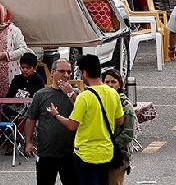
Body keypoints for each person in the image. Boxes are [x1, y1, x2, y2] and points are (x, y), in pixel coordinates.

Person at [47, 54, 125, 185]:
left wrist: (56, 115)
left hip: (86, 154)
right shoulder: (113, 93)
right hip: (106, 152)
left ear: (84, 73)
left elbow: (72, 125)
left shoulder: (84, 97)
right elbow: (120, 121)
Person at [24, 59, 78, 185]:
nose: (66, 75)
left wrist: (70, 93)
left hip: (70, 152)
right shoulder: (41, 94)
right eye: (62, 71)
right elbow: (31, 119)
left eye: (69, 72)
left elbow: (83, 113)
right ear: (52, 72)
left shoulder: (75, 94)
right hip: (46, 152)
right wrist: (28, 142)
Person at [101, 70, 135, 185]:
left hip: (119, 154)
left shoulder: (125, 104)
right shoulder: (100, 100)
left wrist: (111, 145)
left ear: (120, 84)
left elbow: (128, 133)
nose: (110, 85)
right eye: (107, 82)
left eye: (113, 82)